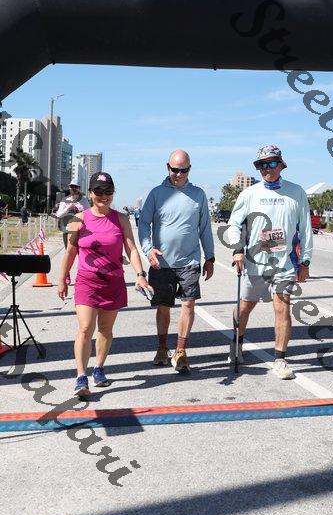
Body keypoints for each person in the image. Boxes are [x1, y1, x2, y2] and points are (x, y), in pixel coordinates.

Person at [57, 171, 153, 398]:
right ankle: (81, 376)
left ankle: (98, 368)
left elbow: (131, 249)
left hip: (113, 282)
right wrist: (62, 278)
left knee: (105, 329)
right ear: (90, 193)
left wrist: (140, 274)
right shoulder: (78, 220)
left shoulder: (121, 219)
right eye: (99, 191)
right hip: (87, 281)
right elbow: (70, 251)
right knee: (85, 328)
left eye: (108, 191)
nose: (104, 196)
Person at [227, 144, 313, 380]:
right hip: (255, 263)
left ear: (281, 165)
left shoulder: (296, 192)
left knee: (282, 307)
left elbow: (306, 229)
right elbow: (233, 224)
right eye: (262, 165)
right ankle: (236, 344)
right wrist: (237, 249)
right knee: (244, 307)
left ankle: (280, 360)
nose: (267, 168)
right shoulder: (249, 194)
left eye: (272, 163)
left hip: (284, 264)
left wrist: (305, 261)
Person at [139, 149, 215, 373]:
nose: (179, 174)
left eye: (183, 170)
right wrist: (148, 250)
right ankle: (162, 348)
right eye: (175, 170)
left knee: (188, 303)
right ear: (167, 167)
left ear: (189, 169)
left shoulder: (198, 194)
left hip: (189, 261)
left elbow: (205, 228)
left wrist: (209, 257)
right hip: (161, 263)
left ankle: (181, 351)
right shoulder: (156, 193)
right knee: (163, 307)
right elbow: (144, 224)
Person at [56, 179, 90, 285]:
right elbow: (58, 215)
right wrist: (68, 208)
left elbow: (89, 214)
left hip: (81, 230)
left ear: (79, 188)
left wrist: (80, 211)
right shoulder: (64, 200)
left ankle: (83, 275)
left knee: (82, 253)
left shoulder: (84, 200)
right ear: (69, 188)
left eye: (76, 187)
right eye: (71, 186)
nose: (73, 188)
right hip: (67, 229)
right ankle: (66, 274)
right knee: (68, 252)